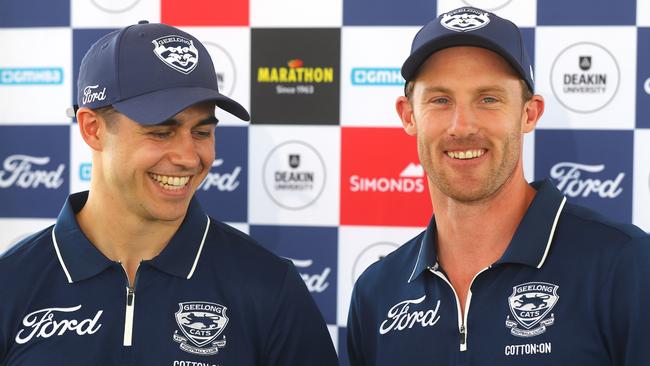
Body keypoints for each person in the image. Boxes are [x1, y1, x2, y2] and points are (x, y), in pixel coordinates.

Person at [0, 21, 338, 365]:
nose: (189, 157)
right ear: (92, 128)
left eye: (202, 132)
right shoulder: (11, 283)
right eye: (161, 132)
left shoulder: (270, 286)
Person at [347, 7, 650, 366]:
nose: (462, 126)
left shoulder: (625, 264)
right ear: (408, 115)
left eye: (488, 99)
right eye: (440, 100)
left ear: (529, 113)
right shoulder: (376, 293)